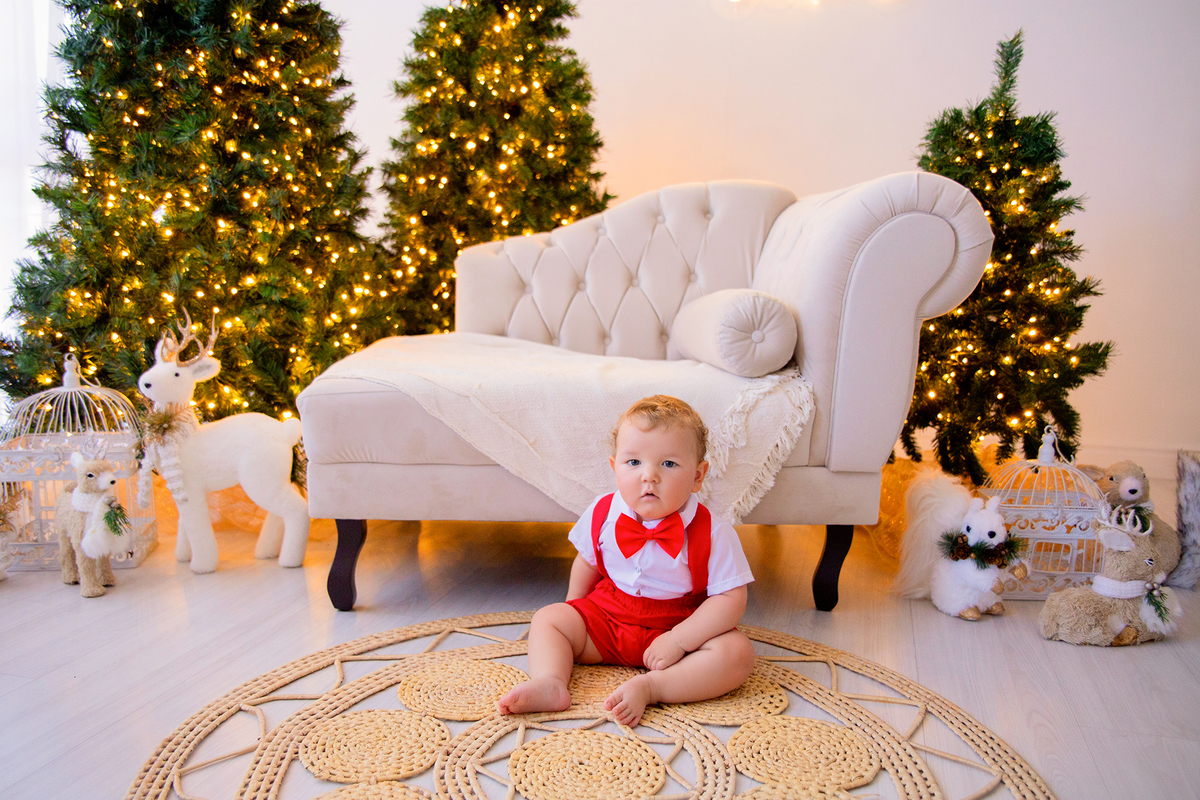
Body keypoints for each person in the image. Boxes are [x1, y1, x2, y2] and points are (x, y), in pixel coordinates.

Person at [497, 395, 756, 727]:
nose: (649, 476)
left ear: (698, 475)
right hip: (608, 618)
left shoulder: (713, 532)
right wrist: (575, 612)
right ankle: (550, 682)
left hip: (678, 627)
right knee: (549, 619)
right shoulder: (603, 512)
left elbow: (731, 599)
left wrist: (680, 640)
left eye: (669, 464)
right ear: (614, 467)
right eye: (634, 463)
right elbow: (587, 563)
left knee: (737, 654)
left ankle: (653, 687)